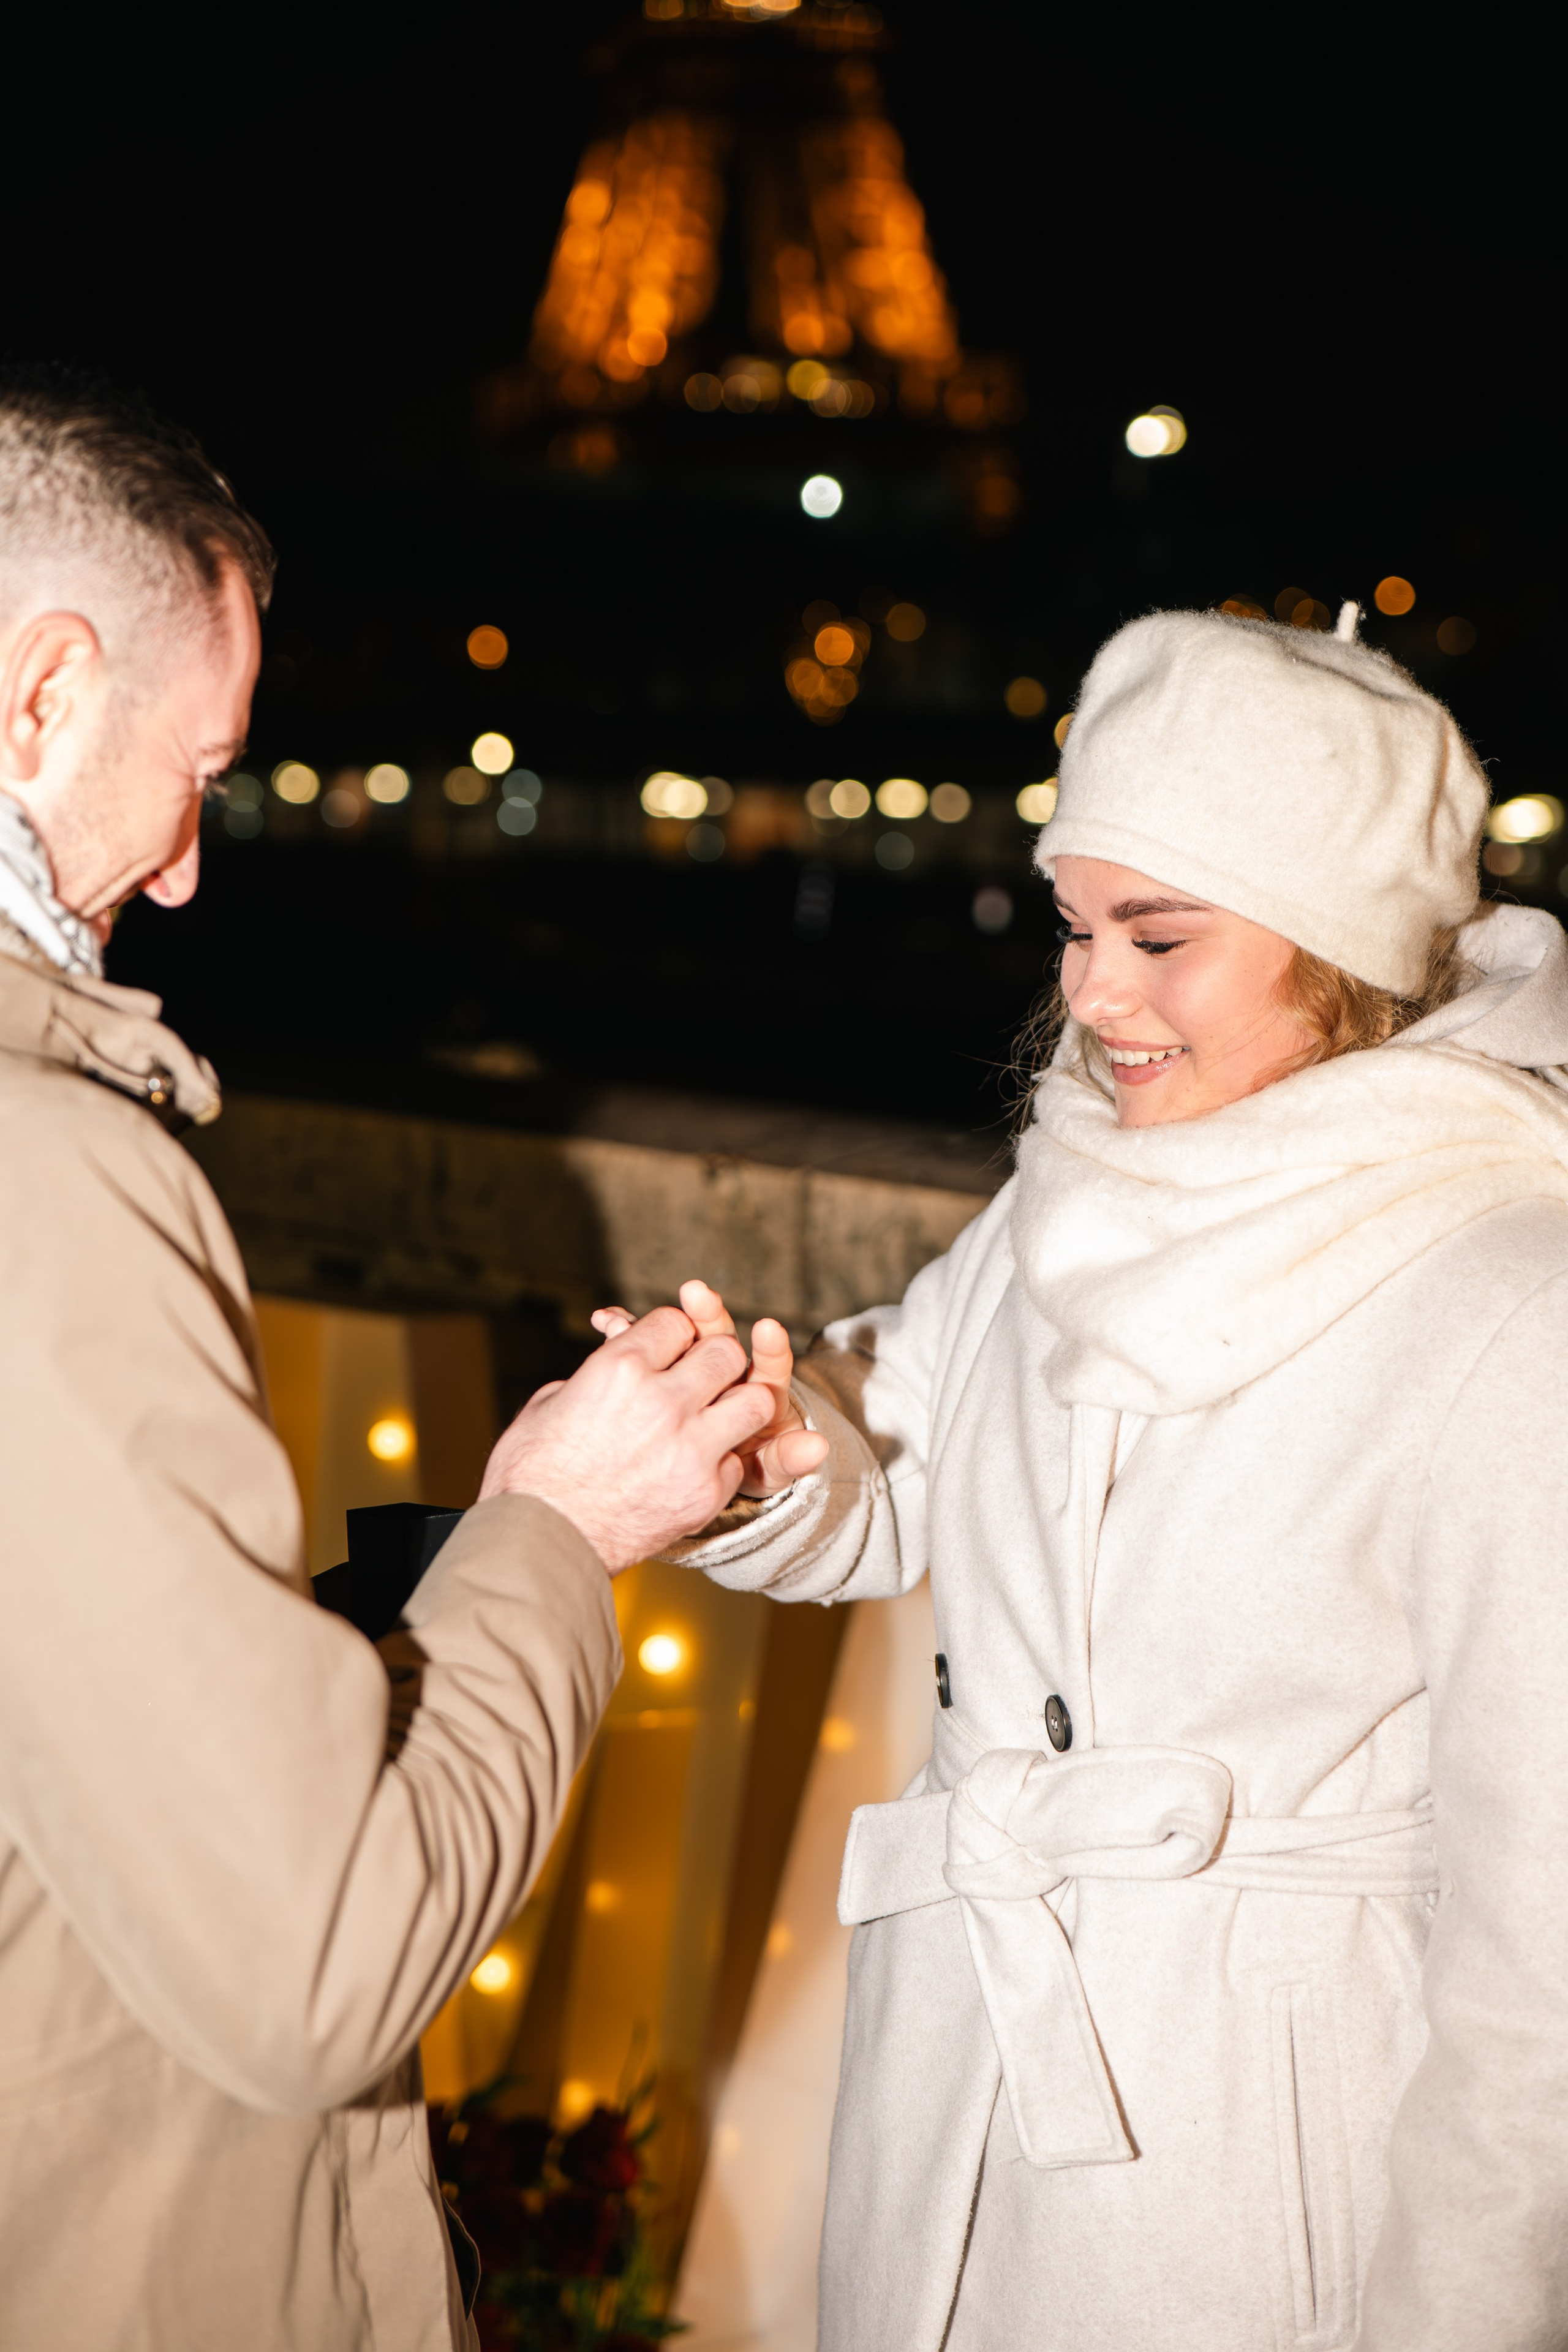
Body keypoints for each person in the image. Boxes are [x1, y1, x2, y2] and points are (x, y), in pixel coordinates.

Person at [639, 607, 1568, 2350]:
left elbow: (1547, 1976)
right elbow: (894, 1458)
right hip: (952, 2107)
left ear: (1337, 941)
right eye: (1075, 925)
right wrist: (760, 1444)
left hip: (1262, 2187)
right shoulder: (1069, 1184)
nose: (1089, 994)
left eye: (1159, 935)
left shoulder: (1516, 1296)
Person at [0, 366, 780, 2351]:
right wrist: (553, 1533)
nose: (185, 868)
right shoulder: (51, 1171)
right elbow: (312, 1978)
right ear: (41, 695)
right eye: (201, 766)